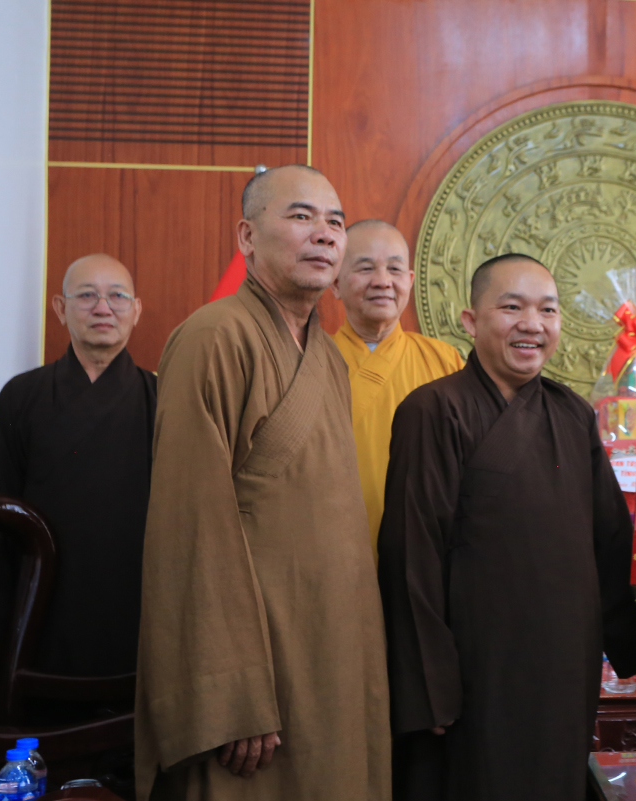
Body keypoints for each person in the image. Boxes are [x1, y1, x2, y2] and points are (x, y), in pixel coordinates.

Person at [135, 165, 391, 800]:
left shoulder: (328, 356)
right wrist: (231, 690)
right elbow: (191, 527)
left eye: (335, 223)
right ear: (247, 237)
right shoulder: (213, 337)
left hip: (331, 639)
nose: (325, 234)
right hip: (261, 653)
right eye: (301, 216)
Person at [378, 253, 636, 801]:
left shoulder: (573, 414)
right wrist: (429, 686)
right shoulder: (433, 410)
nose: (532, 324)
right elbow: (411, 556)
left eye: (548, 310)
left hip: (564, 666)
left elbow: (611, 542)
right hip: (476, 672)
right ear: (471, 322)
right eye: (512, 307)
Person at [0, 253, 155, 682]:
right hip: (40, 614)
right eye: (87, 295)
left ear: (136, 311)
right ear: (60, 308)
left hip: (137, 612)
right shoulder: (21, 397)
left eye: (117, 296)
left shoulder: (162, 398)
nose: (103, 308)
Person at [330, 220, 463, 554]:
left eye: (394, 269)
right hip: (331, 549)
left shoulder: (446, 362)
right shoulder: (309, 360)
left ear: (410, 281)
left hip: (424, 553)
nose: (382, 281)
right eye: (365, 268)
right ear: (335, 282)